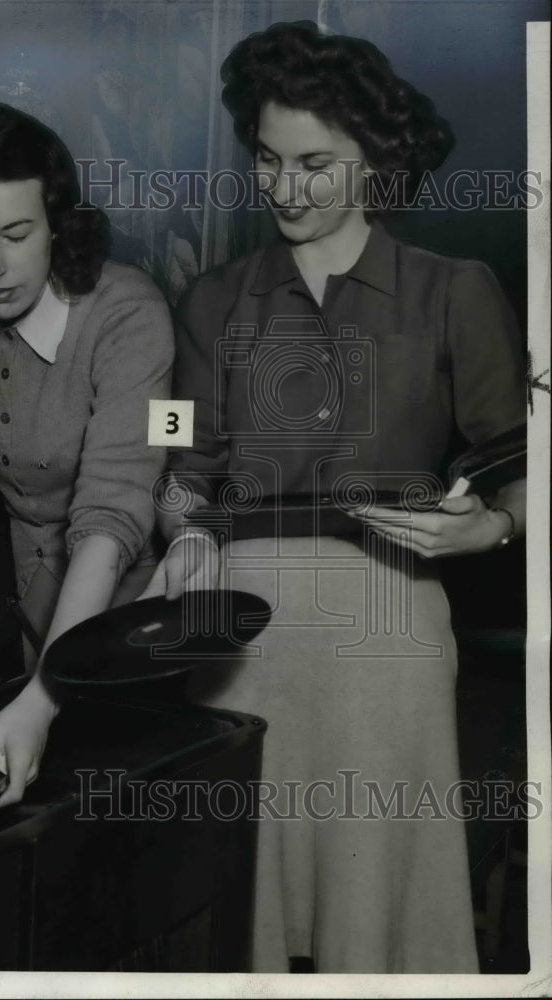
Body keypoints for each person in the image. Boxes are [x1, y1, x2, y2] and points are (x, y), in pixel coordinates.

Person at [141, 22, 526, 973]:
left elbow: (518, 458)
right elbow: (181, 460)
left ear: (376, 163)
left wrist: (492, 527)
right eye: (268, 160)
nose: (283, 188)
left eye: (315, 163)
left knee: (380, 912)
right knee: (233, 911)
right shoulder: (210, 299)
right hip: (240, 630)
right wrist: (184, 535)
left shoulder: (455, 292)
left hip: (387, 625)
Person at [0, 102, 173, 806]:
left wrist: (44, 695)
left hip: (128, 613)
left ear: (57, 223)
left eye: (15, 234)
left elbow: (111, 513)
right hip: (5, 612)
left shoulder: (128, 311)